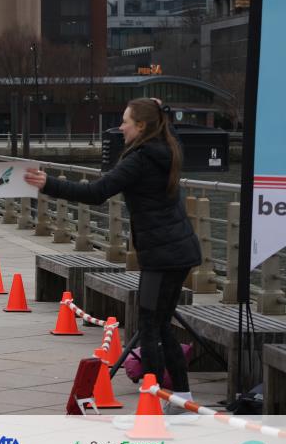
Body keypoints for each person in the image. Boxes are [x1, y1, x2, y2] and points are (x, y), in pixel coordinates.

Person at [23, 98, 201, 413]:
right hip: (181, 250)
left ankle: (153, 399)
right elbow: (169, 129)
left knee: (149, 325)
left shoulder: (139, 159)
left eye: (125, 121)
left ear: (141, 126)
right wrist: (163, 111)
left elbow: (96, 193)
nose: (121, 127)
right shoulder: (170, 148)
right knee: (161, 324)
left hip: (161, 256)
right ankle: (182, 397)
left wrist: (48, 183)